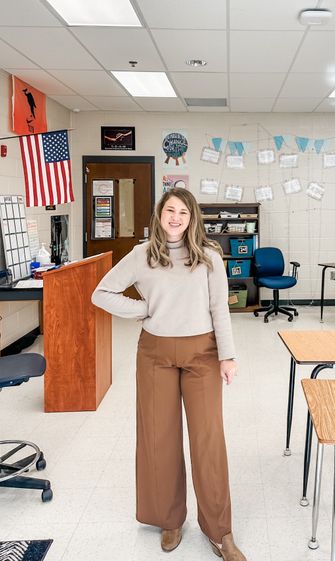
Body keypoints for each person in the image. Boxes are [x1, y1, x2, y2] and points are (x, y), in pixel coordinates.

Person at [92, 188, 247, 561]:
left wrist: (227, 356)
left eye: (183, 212)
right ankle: (170, 519)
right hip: (155, 354)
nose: (176, 218)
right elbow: (102, 293)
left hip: (203, 354)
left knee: (207, 440)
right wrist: (143, 309)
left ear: (192, 218)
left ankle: (219, 531)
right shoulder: (142, 255)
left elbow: (219, 310)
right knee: (159, 438)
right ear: (159, 216)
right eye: (169, 211)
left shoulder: (209, 257)